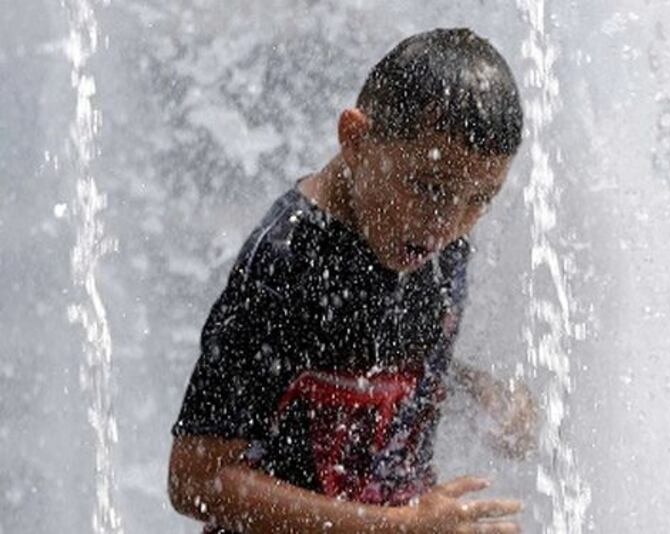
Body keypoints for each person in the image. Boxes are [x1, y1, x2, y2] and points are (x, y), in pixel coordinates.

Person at [167, 28, 537, 533]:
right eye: (429, 187)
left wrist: (481, 392)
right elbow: (194, 479)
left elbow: (381, 359)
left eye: (481, 200)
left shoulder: (429, 234)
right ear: (356, 139)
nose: (447, 223)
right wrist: (395, 527)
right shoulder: (286, 265)